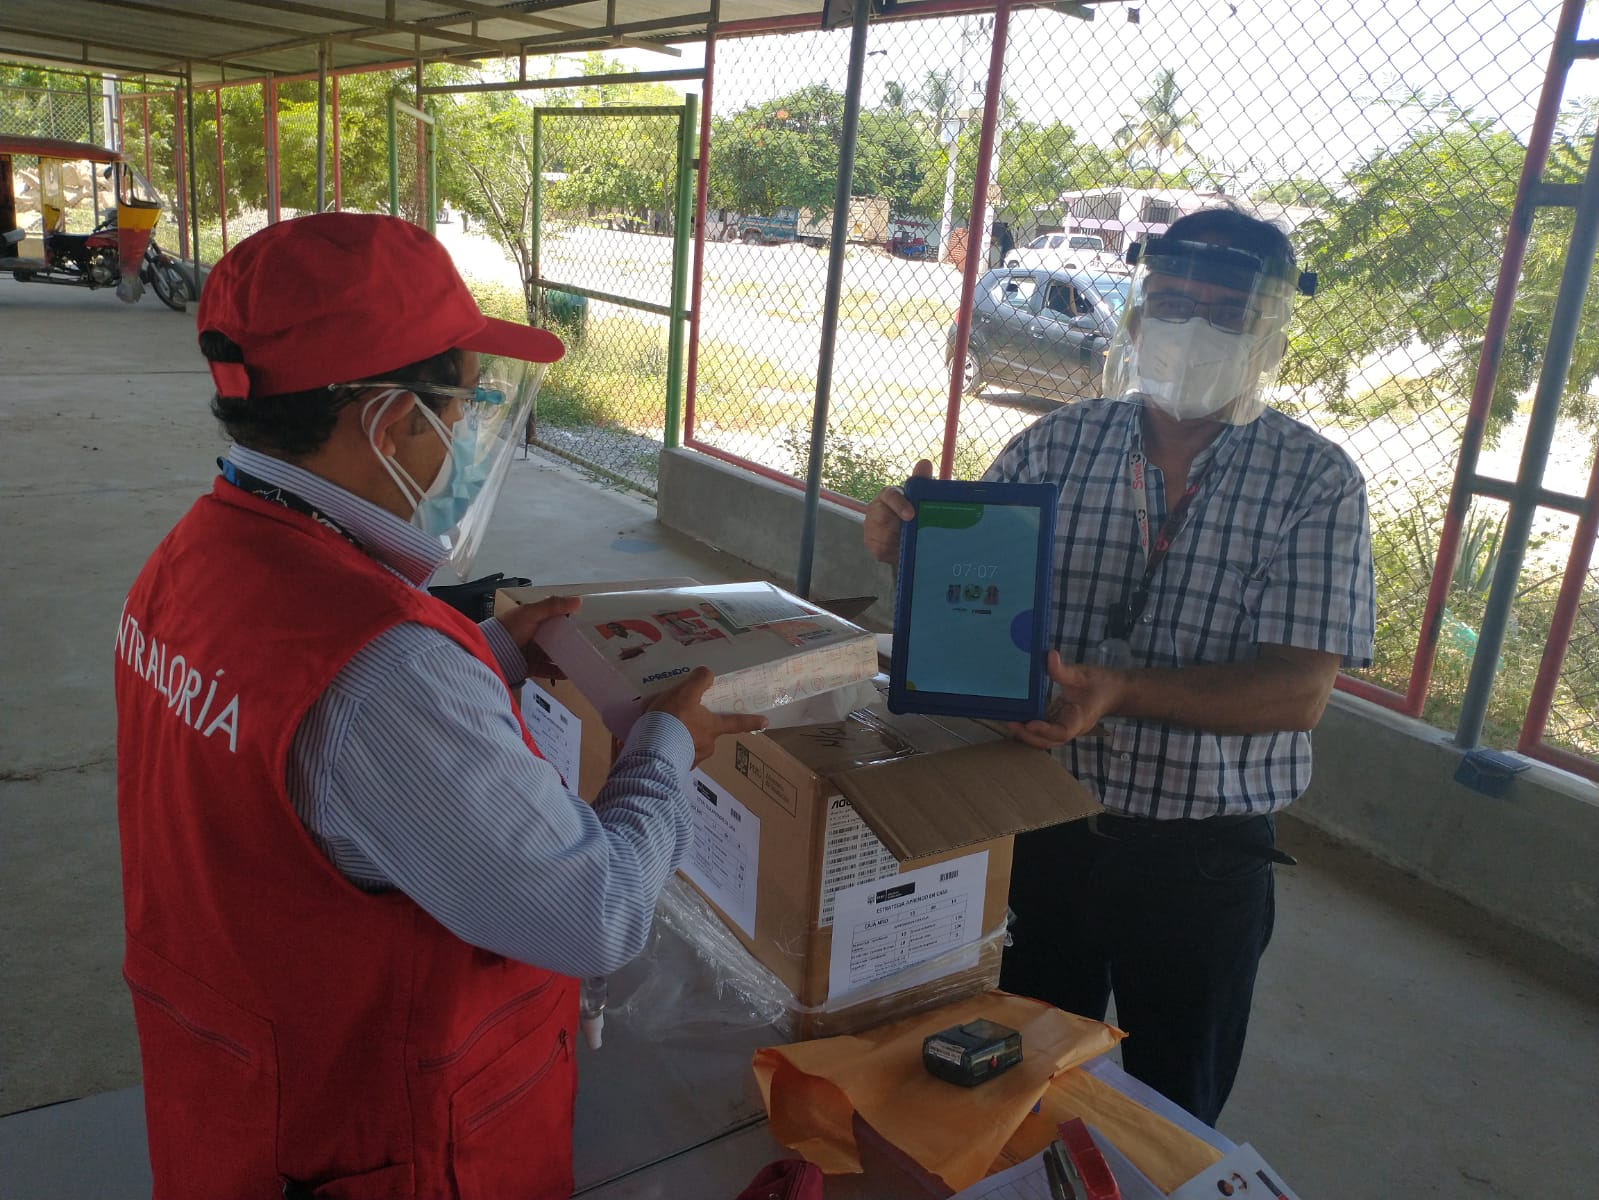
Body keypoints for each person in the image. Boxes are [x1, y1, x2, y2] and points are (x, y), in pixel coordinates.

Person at [113, 212, 766, 1199]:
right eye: (458, 412)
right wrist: (666, 746)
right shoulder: (388, 670)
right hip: (382, 1143)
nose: (463, 441)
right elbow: (596, 913)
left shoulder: (192, 561)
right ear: (387, 421)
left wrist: (490, 653)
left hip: (240, 1090)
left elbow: (296, 763)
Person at [864, 208, 1374, 1125]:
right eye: (1172, 303)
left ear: (1267, 334)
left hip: (1200, 860)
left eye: (1225, 314)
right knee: (1015, 1079)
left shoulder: (1315, 479)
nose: (1191, 330)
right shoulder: (1056, 443)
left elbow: (1299, 690)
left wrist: (1123, 690)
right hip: (1041, 822)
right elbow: (978, 601)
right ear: (1135, 319)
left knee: (1166, 1110)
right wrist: (913, 555)